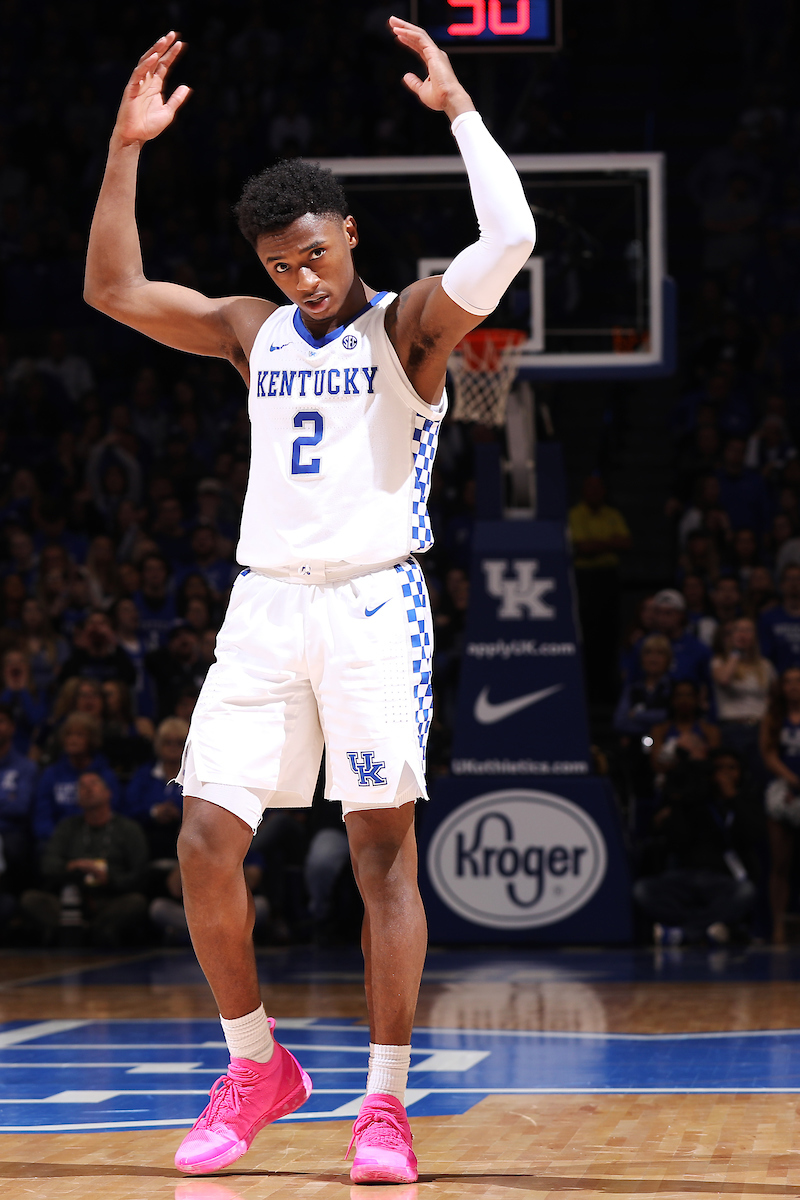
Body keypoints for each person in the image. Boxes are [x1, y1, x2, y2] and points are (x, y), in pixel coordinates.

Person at [83, 21, 535, 1185]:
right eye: (281, 263)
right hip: (263, 611)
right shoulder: (252, 330)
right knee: (201, 840)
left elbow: (512, 237)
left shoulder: (411, 329)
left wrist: (459, 115)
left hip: (375, 608)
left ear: (347, 233)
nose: (301, 278)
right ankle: (255, 1066)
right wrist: (127, 147)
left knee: (381, 852)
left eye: (313, 255)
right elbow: (112, 288)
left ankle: (381, 1107)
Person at [633, 749, 763, 945]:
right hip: (682, 877)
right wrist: (681, 805)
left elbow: (752, 835)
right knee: (642, 890)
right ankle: (710, 928)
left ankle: (684, 932)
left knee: (745, 892)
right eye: (718, 768)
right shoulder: (692, 797)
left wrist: (731, 797)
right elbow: (675, 839)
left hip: (722, 881)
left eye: (731, 768)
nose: (725, 773)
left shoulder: (746, 799)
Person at [21, 771, 148, 948]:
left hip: (110, 899)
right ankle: (74, 929)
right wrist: (71, 866)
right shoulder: (68, 826)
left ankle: (93, 930)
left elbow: (139, 873)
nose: (88, 789)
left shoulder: (128, 829)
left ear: (108, 793)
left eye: (94, 784)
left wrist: (109, 878)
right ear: (77, 798)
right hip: (70, 900)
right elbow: (48, 864)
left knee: (136, 902)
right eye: (82, 786)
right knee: (31, 899)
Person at [568, 474, 632, 701]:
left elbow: (626, 542)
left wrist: (597, 545)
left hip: (609, 580)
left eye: (599, 488)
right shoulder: (575, 515)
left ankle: (607, 690)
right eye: (590, 488)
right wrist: (609, 544)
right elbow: (582, 547)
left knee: (609, 633)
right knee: (586, 634)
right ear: (584, 492)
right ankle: (586, 689)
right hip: (584, 580)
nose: (595, 492)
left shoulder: (612, 514)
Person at [759, 666, 800, 944]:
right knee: (780, 862)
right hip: (783, 789)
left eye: (798, 682)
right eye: (788, 682)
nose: (793, 687)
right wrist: (792, 781)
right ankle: (777, 926)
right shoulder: (773, 718)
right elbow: (768, 754)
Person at [711, 617, 775, 766]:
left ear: (754, 636)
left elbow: (774, 696)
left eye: (748, 630)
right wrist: (735, 652)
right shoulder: (720, 661)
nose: (743, 634)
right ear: (732, 635)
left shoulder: (765, 665)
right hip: (732, 727)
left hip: (760, 728)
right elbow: (724, 680)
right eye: (739, 630)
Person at [759, 563, 800, 671]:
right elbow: (764, 656)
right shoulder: (768, 617)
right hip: (779, 681)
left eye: (798, 579)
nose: (794, 583)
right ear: (781, 585)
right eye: (789, 579)